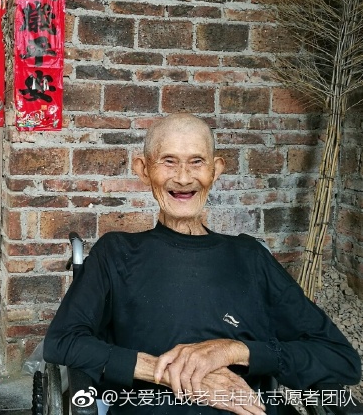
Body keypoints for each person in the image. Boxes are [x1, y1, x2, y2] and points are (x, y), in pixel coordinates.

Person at [43, 113, 361, 415]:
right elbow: (63, 342)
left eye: (197, 162)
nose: (183, 178)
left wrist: (234, 350)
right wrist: (169, 373)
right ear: (143, 169)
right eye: (168, 161)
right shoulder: (116, 252)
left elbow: (341, 359)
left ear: (215, 170)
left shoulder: (249, 256)